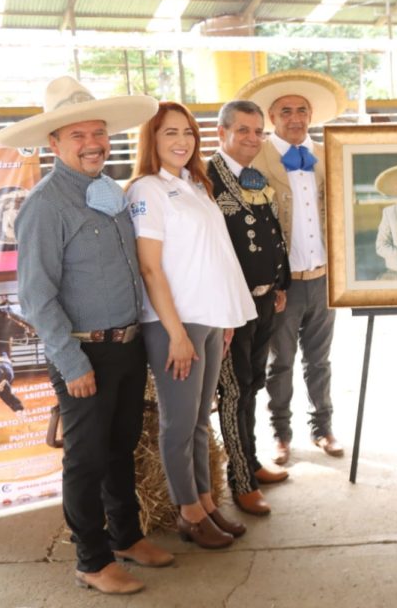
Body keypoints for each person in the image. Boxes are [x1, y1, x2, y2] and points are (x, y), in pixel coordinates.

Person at [0, 75, 173, 594]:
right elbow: (36, 296)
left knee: (120, 446)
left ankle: (126, 536)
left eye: (99, 132)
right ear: (53, 143)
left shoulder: (110, 192)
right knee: (87, 457)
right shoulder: (46, 205)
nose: (94, 142)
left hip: (125, 342)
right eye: (78, 135)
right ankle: (92, 561)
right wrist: (72, 364)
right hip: (83, 350)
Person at [126, 101, 256, 549]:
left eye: (187, 132)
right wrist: (176, 333)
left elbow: (212, 257)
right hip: (173, 324)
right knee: (178, 424)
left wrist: (225, 315)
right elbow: (151, 269)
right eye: (169, 133)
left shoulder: (195, 186)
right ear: (151, 140)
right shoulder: (147, 190)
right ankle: (187, 512)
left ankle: (205, 500)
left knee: (201, 421)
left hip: (207, 317)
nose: (182, 141)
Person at [235, 70, 348, 463]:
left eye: (302, 110)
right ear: (272, 116)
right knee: (279, 361)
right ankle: (281, 433)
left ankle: (324, 427)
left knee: (320, 359)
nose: (295, 118)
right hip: (284, 283)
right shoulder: (258, 159)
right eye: (286, 111)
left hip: (324, 277)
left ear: (311, 114)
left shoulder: (328, 156)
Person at [208, 100, 291, 517]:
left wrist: (281, 282)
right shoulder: (207, 178)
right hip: (230, 308)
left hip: (264, 300)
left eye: (258, 131)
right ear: (221, 133)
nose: (252, 139)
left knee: (253, 384)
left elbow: (274, 229)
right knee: (234, 391)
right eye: (243, 130)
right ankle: (239, 480)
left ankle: (252, 462)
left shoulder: (255, 175)